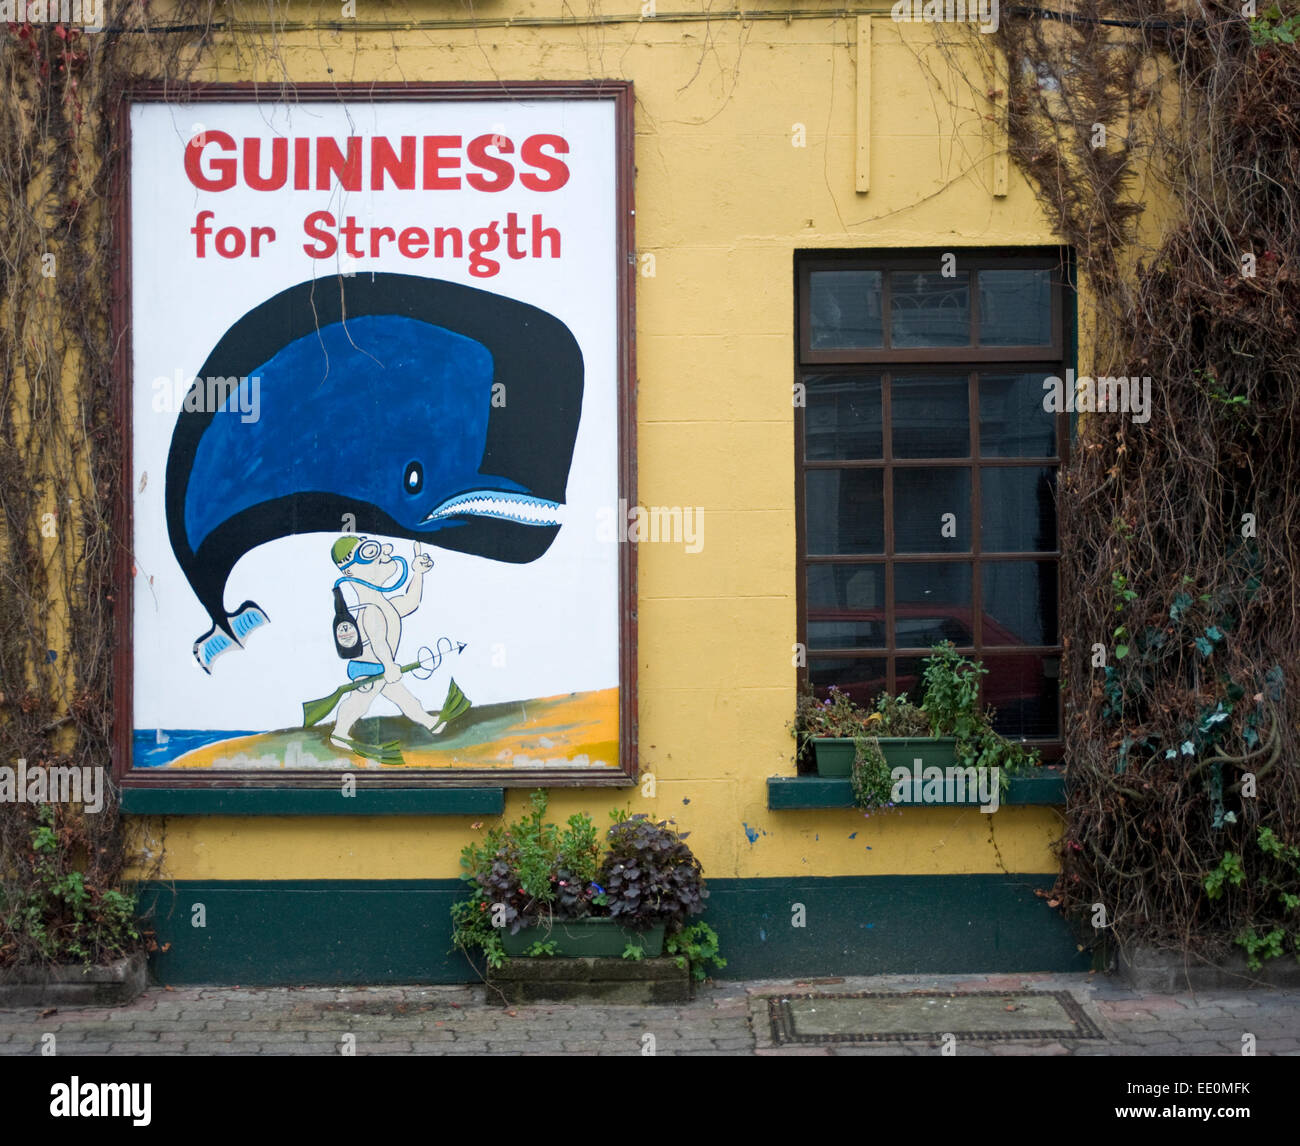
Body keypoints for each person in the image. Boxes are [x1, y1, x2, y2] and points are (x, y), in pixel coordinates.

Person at [328, 535, 444, 751]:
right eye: (370, 552)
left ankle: (428, 721)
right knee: (358, 704)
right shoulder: (371, 609)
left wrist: (417, 572)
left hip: (382, 667)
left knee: (404, 699)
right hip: (371, 669)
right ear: (350, 572)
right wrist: (389, 666)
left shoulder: (383, 604)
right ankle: (339, 733)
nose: (387, 551)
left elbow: (411, 602)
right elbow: (378, 642)